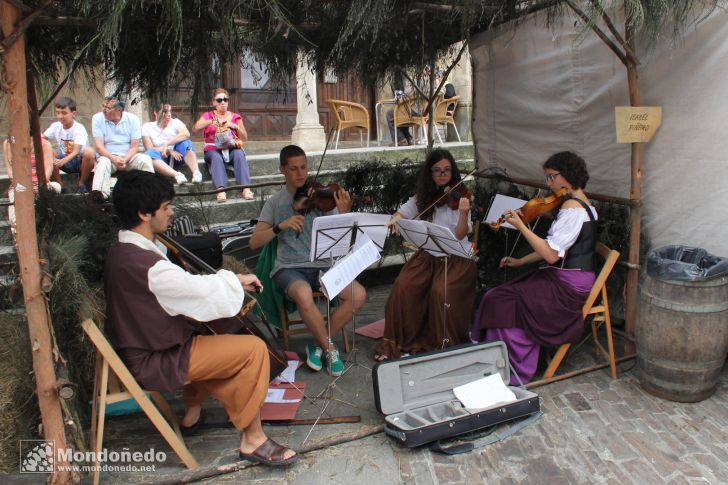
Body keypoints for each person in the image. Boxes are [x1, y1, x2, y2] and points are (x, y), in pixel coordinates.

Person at [104, 170, 297, 466]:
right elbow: (196, 291)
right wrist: (234, 281)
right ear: (144, 213)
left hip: (143, 348)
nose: (171, 213)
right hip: (156, 360)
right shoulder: (150, 268)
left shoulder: (124, 250)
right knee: (252, 350)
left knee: (209, 337)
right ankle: (253, 439)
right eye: (166, 207)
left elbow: (182, 290)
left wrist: (231, 280)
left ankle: (192, 414)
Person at [470, 151, 598, 384]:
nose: (549, 184)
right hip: (567, 277)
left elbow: (550, 254)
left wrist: (521, 226)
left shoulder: (573, 209)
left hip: (568, 288)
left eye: (552, 177)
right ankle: (497, 356)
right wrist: (520, 261)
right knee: (502, 294)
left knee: (501, 300)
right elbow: (556, 249)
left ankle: (512, 366)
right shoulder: (585, 204)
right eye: (547, 178)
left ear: (568, 175)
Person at [249, 145, 366, 376]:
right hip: (289, 269)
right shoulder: (275, 203)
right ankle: (330, 349)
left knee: (358, 295)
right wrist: (279, 226)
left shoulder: (323, 199)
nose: (301, 173)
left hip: (322, 266)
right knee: (303, 294)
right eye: (293, 169)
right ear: (282, 169)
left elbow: (343, 239)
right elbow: (254, 242)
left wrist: (344, 212)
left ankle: (318, 343)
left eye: (303, 167)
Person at [373, 148, 476, 361]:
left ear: (453, 172)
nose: (442, 175)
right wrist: (396, 222)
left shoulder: (461, 197)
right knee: (403, 285)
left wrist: (464, 213)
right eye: (437, 171)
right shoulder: (424, 196)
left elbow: (458, 235)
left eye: (447, 170)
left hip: (456, 258)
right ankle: (399, 341)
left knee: (440, 291)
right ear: (430, 174)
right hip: (429, 254)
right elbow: (402, 212)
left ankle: (442, 342)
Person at [192, 88, 253, 203]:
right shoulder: (208, 115)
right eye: (219, 100)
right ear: (214, 102)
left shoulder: (235, 117)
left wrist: (236, 127)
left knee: (239, 154)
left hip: (231, 148)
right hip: (213, 149)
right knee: (216, 157)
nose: (223, 102)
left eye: (225, 99)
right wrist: (210, 122)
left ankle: (245, 188)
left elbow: (244, 138)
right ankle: (221, 190)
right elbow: (195, 128)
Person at [90, 97, 154, 199]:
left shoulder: (133, 119)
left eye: (108, 108)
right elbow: (99, 146)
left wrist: (124, 159)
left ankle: (150, 193)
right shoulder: (97, 118)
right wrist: (114, 159)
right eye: (103, 106)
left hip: (128, 157)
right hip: (108, 157)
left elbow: (134, 146)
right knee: (103, 163)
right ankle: (99, 196)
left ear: (119, 110)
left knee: (145, 159)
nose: (104, 110)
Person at [41, 96, 95, 193]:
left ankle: (81, 183)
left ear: (73, 114)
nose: (60, 116)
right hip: (64, 159)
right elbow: (42, 138)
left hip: (80, 161)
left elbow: (76, 151)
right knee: (50, 152)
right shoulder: (56, 126)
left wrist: (62, 161)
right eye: (58, 113)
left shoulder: (79, 128)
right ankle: (60, 185)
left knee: (89, 152)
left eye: (64, 113)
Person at [142, 103, 202, 185]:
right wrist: (169, 150)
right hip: (161, 158)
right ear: (155, 113)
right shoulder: (147, 127)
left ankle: (196, 173)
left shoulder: (175, 122)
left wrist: (167, 143)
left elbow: (186, 134)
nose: (169, 114)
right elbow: (149, 148)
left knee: (186, 143)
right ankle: (177, 175)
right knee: (148, 154)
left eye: (170, 111)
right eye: (165, 111)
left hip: (178, 157)